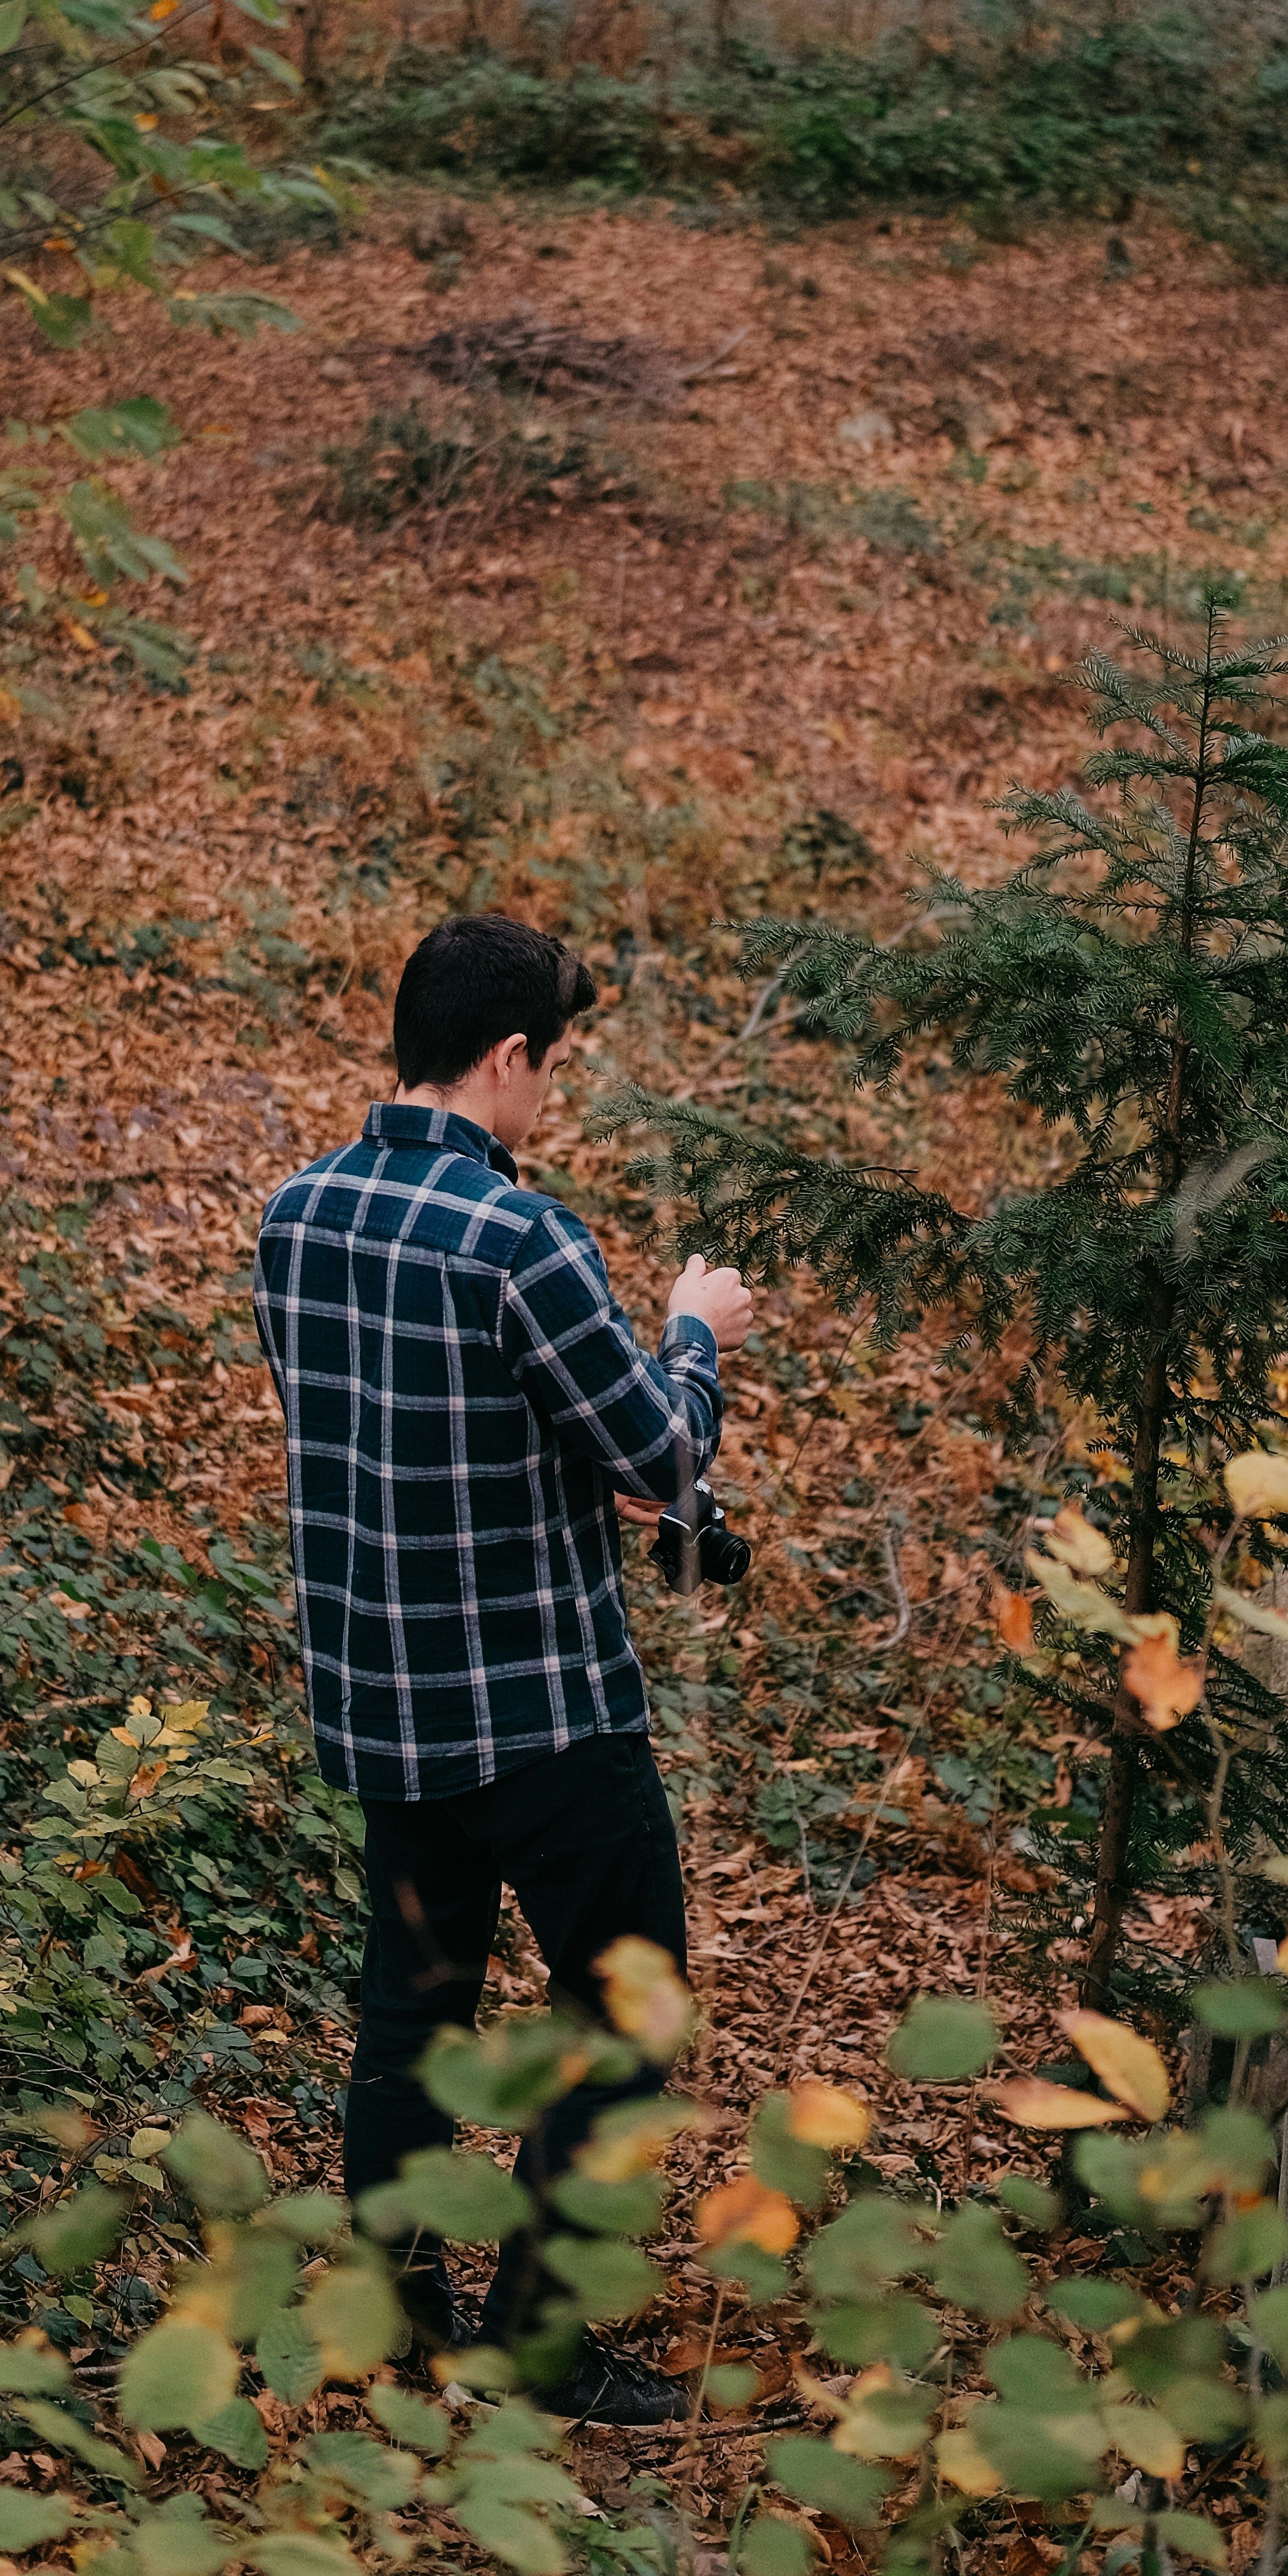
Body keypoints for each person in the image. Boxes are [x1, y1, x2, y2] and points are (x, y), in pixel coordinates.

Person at [253, 910, 754, 2425]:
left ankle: (397, 2324)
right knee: (623, 2011)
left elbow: (395, 1435)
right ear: (510, 1056)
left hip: (379, 1706)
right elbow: (662, 1454)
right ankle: (539, 2345)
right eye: (554, 1067)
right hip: (539, 1719)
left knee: (413, 2012)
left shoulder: (295, 1214)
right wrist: (693, 1332)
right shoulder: (519, 1235)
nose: (552, 1097)